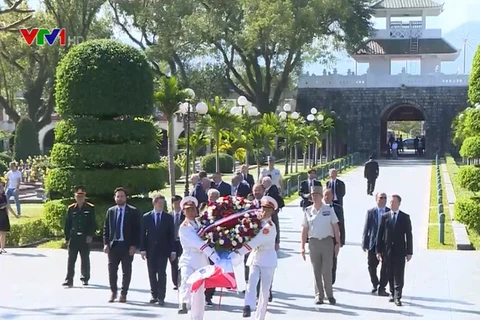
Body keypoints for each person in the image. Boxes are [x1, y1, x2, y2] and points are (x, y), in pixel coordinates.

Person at [231, 196, 278, 319]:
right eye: (263, 208)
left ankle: (260, 316)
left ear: (272, 211)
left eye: (268, 209)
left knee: (264, 290)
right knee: (251, 281)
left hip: (267, 257)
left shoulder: (269, 226)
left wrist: (239, 252)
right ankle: (248, 306)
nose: (264, 211)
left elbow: (255, 241)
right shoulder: (256, 222)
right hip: (256, 256)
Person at [178, 196, 221, 316]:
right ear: (183, 212)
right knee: (186, 279)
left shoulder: (201, 224)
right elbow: (198, 243)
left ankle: (197, 317)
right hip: (189, 257)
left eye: (193, 209)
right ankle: (184, 303)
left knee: (199, 292)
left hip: (201, 259)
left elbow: (208, 239)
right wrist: (214, 257)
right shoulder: (184, 227)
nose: (191, 212)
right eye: (188, 209)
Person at [301, 186, 341, 305]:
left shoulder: (328, 209)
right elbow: (304, 229)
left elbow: (335, 226)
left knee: (327, 270)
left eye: (315, 195)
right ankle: (319, 295)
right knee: (316, 270)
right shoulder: (308, 211)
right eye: (312, 195)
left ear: (320, 196)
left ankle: (330, 295)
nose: (313, 197)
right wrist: (302, 246)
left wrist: (337, 243)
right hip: (314, 242)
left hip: (327, 242)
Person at [103, 187, 141, 303]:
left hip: (127, 246)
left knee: (126, 271)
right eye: (117, 196)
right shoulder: (111, 211)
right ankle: (113, 292)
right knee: (112, 270)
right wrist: (106, 244)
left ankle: (124, 293)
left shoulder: (133, 212)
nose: (119, 198)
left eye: (122, 196)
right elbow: (106, 229)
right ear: (115, 198)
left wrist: (134, 246)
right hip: (114, 246)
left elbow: (137, 230)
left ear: (126, 198)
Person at [376, 194, 413, 306]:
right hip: (387, 251)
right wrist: (378, 250)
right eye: (390, 201)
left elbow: (409, 235)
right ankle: (392, 292)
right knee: (390, 272)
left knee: (399, 274)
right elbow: (380, 234)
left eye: (393, 202)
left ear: (399, 203)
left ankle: (398, 296)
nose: (391, 203)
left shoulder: (405, 217)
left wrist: (409, 251)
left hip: (400, 251)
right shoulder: (385, 216)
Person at [140, 193, 176, 305]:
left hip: (163, 250)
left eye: (163, 203)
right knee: (151, 273)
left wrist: (173, 250)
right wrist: (142, 249)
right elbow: (142, 234)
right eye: (159, 203)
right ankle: (153, 294)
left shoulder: (168, 217)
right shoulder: (146, 217)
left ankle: (161, 296)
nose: (161, 205)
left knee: (161, 273)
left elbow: (172, 235)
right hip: (150, 250)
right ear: (154, 203)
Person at [63, 186, 96, 287]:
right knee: (71, 259)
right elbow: (67, 224)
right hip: (74, 237)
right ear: (75, 197)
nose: (80, 198)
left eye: (82, 196)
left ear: (85, 197)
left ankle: (85, 278)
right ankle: (69, 280)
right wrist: (67, 237)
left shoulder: (90, 208)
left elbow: (93, 223)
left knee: (85, 258)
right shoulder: (71, 208)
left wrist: (90, 235)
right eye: (78, 196)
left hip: (84, 237)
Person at [362, 192, 390, 296]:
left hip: (385, 244)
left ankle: (382, 287)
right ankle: (375, 283)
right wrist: (364, 242)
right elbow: (367, 228)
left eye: (385, 198)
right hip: (373, 243)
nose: (383, 200)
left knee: (386, 266)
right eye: (381, 198)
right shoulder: (371, 212)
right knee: (371, 265)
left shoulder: (389, 212)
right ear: (376, 199)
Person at [322, 188, 345, 285]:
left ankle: (331, 280)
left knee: (333, 260)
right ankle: (324, 280)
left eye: (329, 195)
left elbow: (341, 225)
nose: (327, 197)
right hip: (322, 239)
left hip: (334, 239)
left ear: (333, 196)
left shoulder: (338, 208)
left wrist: (341, 240)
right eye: (325, 195)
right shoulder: (319, 207)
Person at [170, 195, 184, 290]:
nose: (177, 205)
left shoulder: (185, 214)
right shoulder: (169, 215)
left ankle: (183, 281)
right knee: (173, 263)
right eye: (175, 203)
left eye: (179, 203)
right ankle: (175, 282)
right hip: (173, 242)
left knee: (183, 263)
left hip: (182, 242)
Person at [0, 182, 19, 254]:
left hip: (4, 215)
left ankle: (2, 248)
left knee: (3, 233)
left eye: (2, 187)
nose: (1, 189)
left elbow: (9, 206)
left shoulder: (5, 196)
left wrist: (15, 215)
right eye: (0, 187)